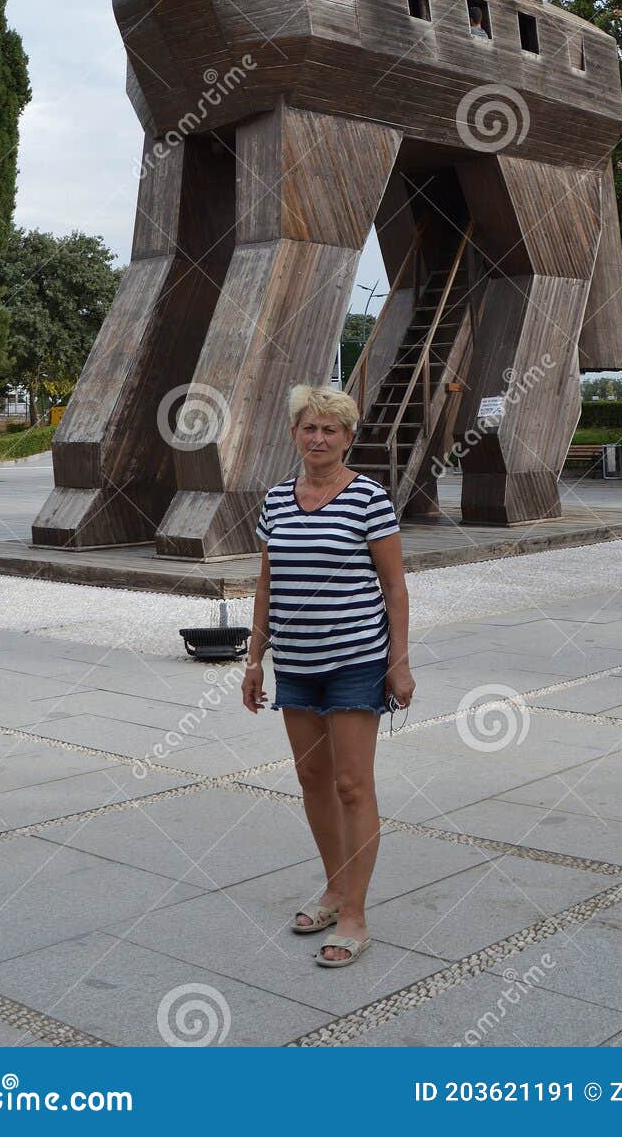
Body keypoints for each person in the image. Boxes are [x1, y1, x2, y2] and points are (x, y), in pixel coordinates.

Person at [241, 384, 414, 967]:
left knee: (351, 785)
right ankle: (334, 887)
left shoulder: (368, 498)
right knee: (313, 780)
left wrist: (399, 662)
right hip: (296, 664)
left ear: (347, 437)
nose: (318, 438)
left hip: (355, 662)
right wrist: (253, 657)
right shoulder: (275, 500)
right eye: (309, 428)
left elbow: (393, 587)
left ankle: (356, 915)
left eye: (330, 430)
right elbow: (267, 582)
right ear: (294, 434)